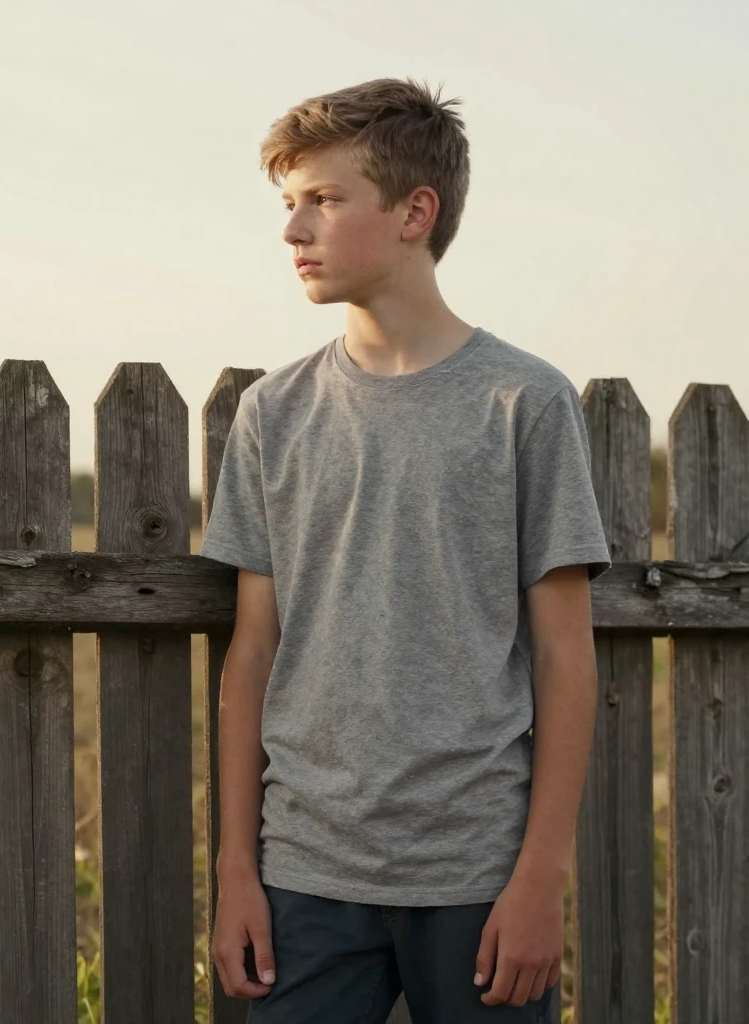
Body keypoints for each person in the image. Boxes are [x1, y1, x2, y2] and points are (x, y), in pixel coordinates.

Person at [198, 76, 613, 1024]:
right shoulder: (273, 413)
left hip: (478, 872)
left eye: (324, 199)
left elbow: (565, 652)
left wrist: (540, 877)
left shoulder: (525, 403)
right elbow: (253, 651)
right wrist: (237, 870)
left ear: (414, 213)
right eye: (288, 202)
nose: (293, 229)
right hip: (305, 870)